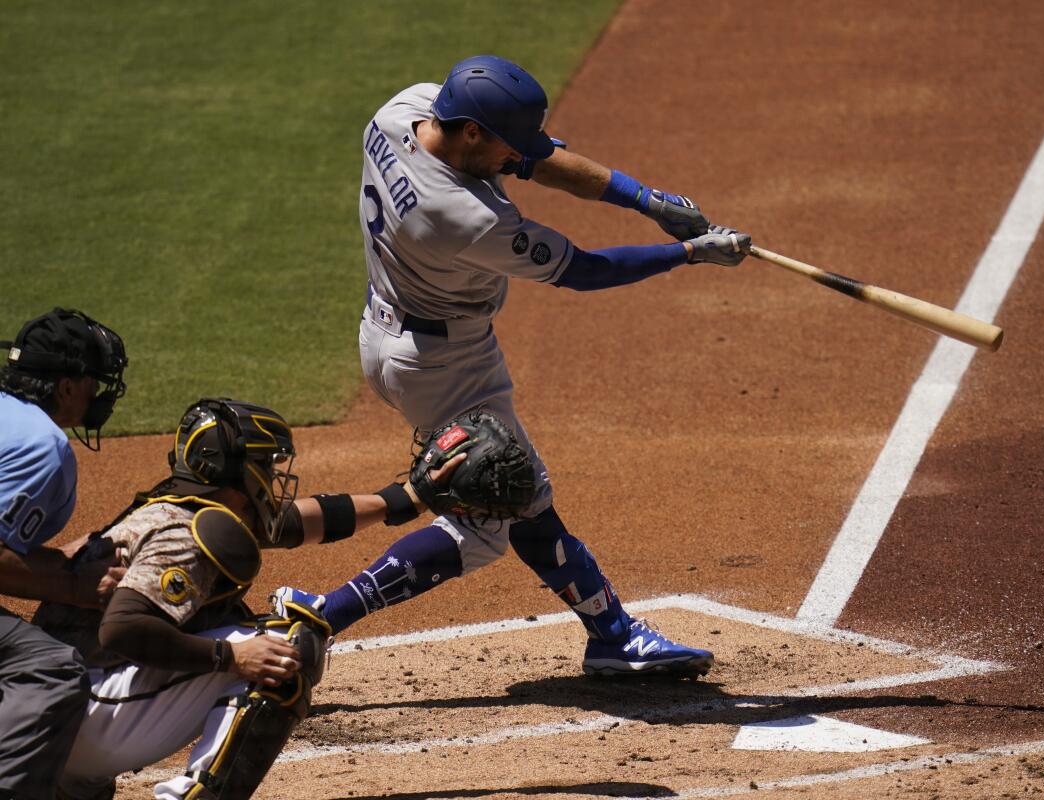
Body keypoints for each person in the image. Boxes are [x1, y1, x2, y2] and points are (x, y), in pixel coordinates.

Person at [273, 55, 751, 678]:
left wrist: (645, 198)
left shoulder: (403, 110)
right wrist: (686, 252)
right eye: (506, 146)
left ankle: (610, 633)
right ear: (472, 131)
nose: (515, 159)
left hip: (392, 333)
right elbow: (583, 271)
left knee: (512, 497)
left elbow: (536, 158)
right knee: (494, 509)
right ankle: (323, 614)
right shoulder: (463, 216)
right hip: (445, 365)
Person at [37, 397, 462, 799]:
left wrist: (405, 499)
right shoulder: (187, 534)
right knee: (289, 644)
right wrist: (231, 658)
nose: (273, 474)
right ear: (234, 468)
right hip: (86, 711)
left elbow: (300, 521)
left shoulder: (192, 509)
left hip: (55, 719)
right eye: (264, 463)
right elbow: (122, 630)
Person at [0, 308, 128, 799]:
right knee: (52, 669)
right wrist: (72, 583)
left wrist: (57, 562)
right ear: (67, 387)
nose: (99, 392)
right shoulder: (40, 444)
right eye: (94, 380)